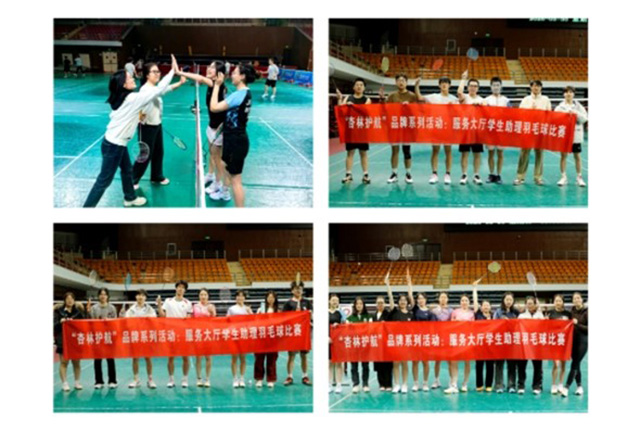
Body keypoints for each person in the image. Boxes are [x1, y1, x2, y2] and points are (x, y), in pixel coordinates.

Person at [83, 55, 180, 207]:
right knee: (103, 181)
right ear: (123, 84)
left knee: (127, 170)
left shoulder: (124, 97)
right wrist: (172, 71)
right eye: (129, 78)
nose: (133, 77)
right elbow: (159, 89)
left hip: (117, 143)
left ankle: (130, 197)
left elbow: (158, 92)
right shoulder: (132, 99)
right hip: (114, 146)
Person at [206, 63, 257, 207]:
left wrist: (217, 85)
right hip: (233, 138)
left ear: (242, 76)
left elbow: (214, 107)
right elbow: (237, 114)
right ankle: (223, 191)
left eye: (235, 73)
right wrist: (225, 124)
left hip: (236, 141)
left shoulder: (238, 95)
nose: (232, 75)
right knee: (226, 166)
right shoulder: (246, 93)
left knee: (236, 180)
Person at [178, 61, 230, 200]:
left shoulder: (215, 84)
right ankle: (211, 175)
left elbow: (199, 78)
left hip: (218, 129)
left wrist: (180, 72)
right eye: (209, 66)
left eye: (212, 67)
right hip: (211, 125)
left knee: (217, 158)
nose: (208, 69)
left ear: (219, 73)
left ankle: (218, 183)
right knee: (212, 155)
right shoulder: (212, 84)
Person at [132, 62, 186, 191]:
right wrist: (172, 71)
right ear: (147, 75)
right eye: (154, 72)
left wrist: (180, 83)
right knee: (145, 154)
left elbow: (165, 90)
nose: (157, 74)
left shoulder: (154, 88)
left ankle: (156, 176)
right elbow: (162, 88)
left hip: (156, 125)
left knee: (158, 152)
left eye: (158, 71)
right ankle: (132, 179)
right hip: (146, 127)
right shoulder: (145, 89)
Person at [415, 77, 459, 185]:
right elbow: (420, 97)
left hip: (448, 128)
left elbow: (458, 113)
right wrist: (416, 86)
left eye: (446, 83)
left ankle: (447, 174)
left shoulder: (454, 99)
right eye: (442, 83)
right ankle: (434, 174)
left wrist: (453, 108)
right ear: (439, 85)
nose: (444, 85)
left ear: (449, 85)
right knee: (435, 150)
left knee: (448, 151)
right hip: (436, 127)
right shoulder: (434, 96)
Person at [379, 75, 417, 184]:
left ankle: (408, 174)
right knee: (394, 150)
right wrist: (382, 99)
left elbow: (417, 110)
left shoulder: (412, 96)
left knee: (407, 151)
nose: (401, 82)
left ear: (406, 82)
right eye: (399, 80)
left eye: (403, 80)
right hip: (394, 126)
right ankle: (394, 173)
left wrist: (409, 106)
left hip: (406, 126)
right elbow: (384, 109)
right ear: (396, 82)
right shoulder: (392, 96)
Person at [514, 80, 552, 185]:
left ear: (541, 88)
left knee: (539, 154)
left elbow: (549, 115)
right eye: (534, 86)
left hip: (540, 130)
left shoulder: (546, 99)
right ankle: (520, 177)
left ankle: (538, 177)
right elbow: (520, 114)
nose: (536, 88)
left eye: (538, 86)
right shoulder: (526, 100)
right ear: (531, 87)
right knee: (524, 153)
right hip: (528, 130)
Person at [157, 280, 193, 388]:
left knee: (185, 358)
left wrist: (182, 323)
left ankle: (185, 379)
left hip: (183, 333)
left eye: (183, 287)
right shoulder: (168, 301)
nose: (180, 289)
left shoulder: (188, 303)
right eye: (179, 287)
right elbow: (162, 316)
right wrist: (159, 305)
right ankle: (171, 379)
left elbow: (189, 318)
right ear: (176, 288)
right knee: (170, 358)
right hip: (171, 333)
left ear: (185, 290)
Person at [336, 78, 371, 184]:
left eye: (361, 85)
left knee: (363, 153)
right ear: (353, 87)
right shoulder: (348, 98)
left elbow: (366, 111)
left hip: (362, 130)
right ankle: (348, 175)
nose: (359, 86)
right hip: (351, 129)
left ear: (364, 88)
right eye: (357, 85)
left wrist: (353, 106)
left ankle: (365, 175)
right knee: (350, 153)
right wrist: (340, 99)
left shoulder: (367, 99)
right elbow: (341, 110)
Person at [385, 268, 415, 393]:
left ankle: (404, 384)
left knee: (405, 363)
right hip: (395, 341)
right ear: (398, 302)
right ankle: (396, 384)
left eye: (404, 300)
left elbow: (411, 296)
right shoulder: (394, 311)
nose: (403, 302)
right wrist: (388, 284)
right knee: (396, 363)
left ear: (407, 302)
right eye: (401, 300)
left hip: (406, 341)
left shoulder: (410, 313)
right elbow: (390, 297)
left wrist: (409, 283)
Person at [124, 289, 157, 389]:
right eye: (138, 295)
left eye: (142, 295)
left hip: (146, 336)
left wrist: (147, 317)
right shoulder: (131, 309)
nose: (140, 297)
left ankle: (150, 380)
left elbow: (154, 319)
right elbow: (126, 321)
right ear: (136, 297)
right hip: (135, 336)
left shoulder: (150, 309)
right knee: (135, 358)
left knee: (148, 358)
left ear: (145, 298)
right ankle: (136, 380)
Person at [555, 86, 588, 187]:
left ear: (573, 94)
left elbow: (584, 119)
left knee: (577, 156)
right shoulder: (559, 107)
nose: (568, 94)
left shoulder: (579, 107)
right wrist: (565, 115)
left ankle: (579, 177)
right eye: (566, 92)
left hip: (575, 135)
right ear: (563, 94)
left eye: (570, 92)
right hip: (564, 135)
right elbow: (555, 119)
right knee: (563, 156)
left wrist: (575, 114)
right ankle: (563, 177)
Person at [283, 280, 313, 386]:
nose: (298, 290)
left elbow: (311, 316)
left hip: (304, 333)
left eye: (300, 288)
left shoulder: (307, 302)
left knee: (304, 355)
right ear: (292, 290)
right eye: (296, 289)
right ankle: (289, 376)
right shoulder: (288, 303)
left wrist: (310, 315)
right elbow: (284, 317)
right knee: (291, 355)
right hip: (293, 332)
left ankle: (305, 376)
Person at [457, 71, 485, 185]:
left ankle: (476, 175)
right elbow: (459, 92)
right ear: (468, 87)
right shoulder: (465, 98)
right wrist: (463, 78)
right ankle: (464, 174)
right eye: (471, 86)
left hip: (477, 130)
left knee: (477, 154)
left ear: (478, 88)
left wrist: (480, 107)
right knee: (465, 153)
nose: (473, 88)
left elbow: (486, 113)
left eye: (475, 86)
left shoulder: (482, 100)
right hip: (465, 129)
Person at [54, 292, 85, 391]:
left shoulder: (78, 312)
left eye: (71, 298)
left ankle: (77, 382)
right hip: (63, 341)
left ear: (74, 300)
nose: (70, 300)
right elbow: (54, 325)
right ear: (64, 300)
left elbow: (84, 324)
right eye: (67, 298)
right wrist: (60, 322)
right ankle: (64, 383)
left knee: (76, 363)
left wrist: (85, 310)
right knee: (64, 363)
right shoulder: (58, 312)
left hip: (75, 341)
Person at [88, 288, 118, 389]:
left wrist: (108, 322)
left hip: (109, 336)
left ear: (107, 296)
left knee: (110, 359)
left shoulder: (112, 308)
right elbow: (91, 322)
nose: (103, 296)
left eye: (105, 294)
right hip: (97, 336)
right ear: (98, 296)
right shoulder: (94, 308)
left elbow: (115, 322)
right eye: (101, 294)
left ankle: (112, 381)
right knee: (97, 360)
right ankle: (98, 381)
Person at [445, 294, 475, 394]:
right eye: (462, 300)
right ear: (460, 302)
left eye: (466, 300)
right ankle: (454, 384)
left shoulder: (471, 313)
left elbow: (473, 326)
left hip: (467, 339)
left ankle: (465, 383)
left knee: (467, 362)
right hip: (456, 339)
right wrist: (456, 321)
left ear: (469, 302)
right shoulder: (455, 312)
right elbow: (450, 324)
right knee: (454, 361)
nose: (464, 302)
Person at [483, 76, 511, 183]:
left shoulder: (506, 100)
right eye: (494, 85)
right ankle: (491, 174)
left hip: (501, 130)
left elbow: (511, 115)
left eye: (498, 85)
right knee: (490, 153)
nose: (496, 87)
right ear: (491, 87)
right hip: (490, 130)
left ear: (501, 86)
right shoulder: (486, 100)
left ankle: (498, 175)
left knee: (500, 153)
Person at [561, 292, 588, 397]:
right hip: (572, 341)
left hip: (583, 341)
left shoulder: (587, 312)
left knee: (575, 363)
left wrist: (578, 324)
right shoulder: (571, 311)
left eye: (578, 298)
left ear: (582, 299)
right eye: (574, 298)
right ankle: (579, 387)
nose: (576, 300)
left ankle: (566, 387)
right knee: (577, 364)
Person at [493, 291, 520, 393]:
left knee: (512, 364)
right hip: (500, 341)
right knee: (499, 364)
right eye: (507, 299)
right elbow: (493, 325)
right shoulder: (498, 312)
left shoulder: (516, 312)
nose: (508, 301)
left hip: (512, 342)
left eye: (510, 300)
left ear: (513, 301)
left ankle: (511, 385)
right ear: (503, 300)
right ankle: (499, 385)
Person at [517, 296, 545, 394]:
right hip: (524, 345)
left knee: (538, 366)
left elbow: (544, 327)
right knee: (521, 366)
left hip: (536, 345)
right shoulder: (521, 316)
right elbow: (517, 328)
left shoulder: (540, 315)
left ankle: (536, 386)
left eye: (531, 303)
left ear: (535, 304)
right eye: (527, 304)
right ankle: (521, 385)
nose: (529, 305)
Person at [227, 290, 253, 388]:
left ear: (244, 298)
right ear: (236, 298)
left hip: (244, 335)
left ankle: (242, 378)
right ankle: (235, 378)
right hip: (234, 335)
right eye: (238, 296)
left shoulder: (247, 309)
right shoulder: (231, 309)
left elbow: (253, 321)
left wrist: (250, 312)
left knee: (243, 358)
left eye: (242, 296)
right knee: (234, 358)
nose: (240, 298)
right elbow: (227, 321)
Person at [411, 292, 436, 391]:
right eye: (419, 298)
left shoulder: (430, 313)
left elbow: (433, 327)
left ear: (425, 300)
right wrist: (409, 285)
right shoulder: (415, 310)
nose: (420, 300)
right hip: (416, 339)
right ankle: (416, 383)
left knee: (425, 362)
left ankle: (425, 383)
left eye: (422, 298)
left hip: (425, 340)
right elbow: (410, 296)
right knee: (415, 362)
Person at [547, 294, 571, 394]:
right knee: (556, 364)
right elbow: (546, 326)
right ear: (554, 302)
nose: (558, 303)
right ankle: (553, 384)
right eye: (556, 301)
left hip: (565, 342)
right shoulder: (550, 313)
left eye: (559, 301)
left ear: (562, 302)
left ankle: (560, 383)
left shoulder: (568, 314)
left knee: (563, 365)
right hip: (554, 342)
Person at [254, 291, 279, 388]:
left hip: (273, 338)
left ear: (275, 299)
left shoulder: (278, 311)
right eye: (269, 297)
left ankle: (271, 379)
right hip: (261, 337)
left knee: (271, 359)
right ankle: (259, 379)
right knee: (259, 359)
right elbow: (256, 321)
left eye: (272, 297)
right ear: (266, 298)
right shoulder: (260, 309)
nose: (270, 299)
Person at [192, 288, 216, 388]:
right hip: (198, 334)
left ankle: (207, 378)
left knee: (208, 357)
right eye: (201, 294)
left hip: (208, 334)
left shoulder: (211, 306)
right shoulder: (195, 306)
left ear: (208, 296)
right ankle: (199, 378)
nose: (203, 296)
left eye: (205, 294)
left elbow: (215, 320)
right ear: (199, 296)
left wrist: (212, 313)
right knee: (198, 357)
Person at [472, 284, 494, 392]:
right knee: (479, 365)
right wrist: (474, 289)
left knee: (490, 365)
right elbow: (475, 301)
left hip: (491, 344)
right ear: (481, 307)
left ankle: (489, 385)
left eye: (487, 305)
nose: (485, 307)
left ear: (490, 307)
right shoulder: (478, 315)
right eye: (484, 305)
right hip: (479, 344)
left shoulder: (494, 316)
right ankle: (479, 385)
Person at [347, 296, 371, 393]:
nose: (359, 305)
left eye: (361, 303)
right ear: (355, 305)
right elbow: (347, 331)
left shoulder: (368, 317)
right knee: (354, 366)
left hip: (365, 344)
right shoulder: (350, 318)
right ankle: (355, 384)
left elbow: (370, 329)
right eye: (357, 304)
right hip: (354, 345)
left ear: (363, 305)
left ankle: (365, 384)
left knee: (365, 365)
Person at [430, 291, 453, 389]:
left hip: (448, 338)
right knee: (437, 361)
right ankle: (436, 380)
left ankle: (451, 381)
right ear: (439, 299)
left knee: (450, 361)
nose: (443, 299)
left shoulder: (451, 311)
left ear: (447, 299)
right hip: (437, 338)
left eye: (445, 297)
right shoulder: (434, 311)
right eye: (441, 297)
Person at [372, 295, 393, 391]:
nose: (380, 304)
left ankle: (388, 384)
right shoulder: (373, 315)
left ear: (385, 304)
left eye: (381, 303)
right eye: (378, 303)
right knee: (379, 364)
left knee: (387, 364)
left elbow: (392, 327)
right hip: (377, 343)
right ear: (376, 304)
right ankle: (381, 384)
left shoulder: (388, 314)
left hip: (387, 343)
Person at [328, 293, 345, 393]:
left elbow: (345, 326)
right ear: (329, 301)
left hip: (339, 340)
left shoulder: (341, 313)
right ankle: (329, 384)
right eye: (333, 300)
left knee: (339, 363)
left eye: (336, 300)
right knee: (329, 363)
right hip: (328, 340)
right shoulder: (325, 312)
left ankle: (339, 384)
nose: (335, 302)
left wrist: (338, 325)